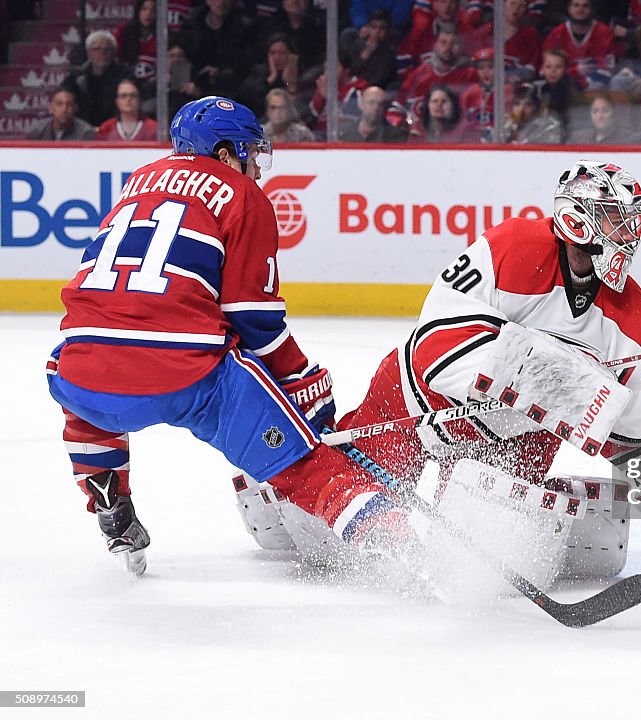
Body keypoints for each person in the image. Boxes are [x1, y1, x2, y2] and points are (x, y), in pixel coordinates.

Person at [233, 160, 641, 580]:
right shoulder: (516, 247)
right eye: (617, 219)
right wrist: (564, 379)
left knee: (498, 555)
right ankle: (277, 500)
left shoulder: (630, 312)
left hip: (521, 438)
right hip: (419, 406)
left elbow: (632, 416)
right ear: (577, 219)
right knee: (333, 526)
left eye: (634, 221)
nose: (630, 233)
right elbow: (437, 348)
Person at [47, 96, 408, 577]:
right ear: (222, 154)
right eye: (249, 153)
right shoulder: (241, 193)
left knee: (86, 378)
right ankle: (391, 536)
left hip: (80, 370)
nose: (255, 169)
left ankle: (110, 500)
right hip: (184, 376)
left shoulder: (136, 183)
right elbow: (251, 318)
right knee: (299, 461)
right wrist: (301, 380)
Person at [542, 0, 617, 91]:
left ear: (591, 10)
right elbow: (545, 71)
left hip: (595, 90)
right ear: (569, 9)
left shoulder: (604, 33)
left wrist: (581, 84)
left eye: (585, 6)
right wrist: (576, 71)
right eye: (576, 5)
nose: (580, 9)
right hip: (562, 89)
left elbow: (607, 70)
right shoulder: (556, 34)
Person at [398, 29, 478, 115]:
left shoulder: (471, 74)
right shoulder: (420, 74)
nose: (448, 48)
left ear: (461, 47)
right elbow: (399, 106)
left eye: (454, 43)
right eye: (443, 42)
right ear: (435, 46)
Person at [61, 29, 130, 127]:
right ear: (88, 53)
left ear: (114, 52)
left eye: (108, 49)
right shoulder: (76, 77)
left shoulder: (125, 76)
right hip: (82, 130)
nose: (103, 53)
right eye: (97, 49)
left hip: (116, 128)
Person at [236, 33, 302, 120]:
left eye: (282, 53)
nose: (277, 57)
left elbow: (299, 110)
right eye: (273, 53)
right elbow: (245, 100)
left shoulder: (300, 75)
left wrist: (289, 83)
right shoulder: (258, 73)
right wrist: (270, 79)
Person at [338, 86, 411, 142]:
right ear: (361, 104)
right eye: (371, 102)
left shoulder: (396, 136)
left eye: (380, 104)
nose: (376, 108)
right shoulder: (343, 133)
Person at [408, 83, 474, 143]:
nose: (439, 105)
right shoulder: (417, 130)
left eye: (444, 101)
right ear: (427, 105)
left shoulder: (465, 130)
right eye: (435, 101)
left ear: (453, 105)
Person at [566, 91, 638, 143]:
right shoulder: (578, 138)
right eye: (595, 111)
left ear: (613, 113)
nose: (600, 116)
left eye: (605, 111)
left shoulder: (628, 139)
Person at [25, 88, 97, 141]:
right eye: (59, 104)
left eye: (69, 104)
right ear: (50, 108)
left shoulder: (86, 133)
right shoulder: (36, 132)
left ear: (75, 108)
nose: (64, 109)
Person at [114, 0, 157, 83]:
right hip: (126, 82)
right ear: (137, 11)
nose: (148, 14)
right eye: (144, 9)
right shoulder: (124, 31)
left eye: (153, 10)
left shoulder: (167, 35)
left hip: (156, 85)